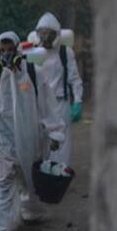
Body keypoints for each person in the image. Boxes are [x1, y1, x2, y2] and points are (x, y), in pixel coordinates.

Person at [0, 32, 64, 231]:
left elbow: (47, 106)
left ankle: (31, 213)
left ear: (18, 49)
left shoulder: (33, 73)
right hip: (4, 142)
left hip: (32, 140)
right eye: (2, 50)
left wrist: (54, 132)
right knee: (1, 182)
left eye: (9, 49)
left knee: (30, 182)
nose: (5, 54)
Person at [29, 12, 84, 167]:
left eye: (49, 34)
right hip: (40, 104)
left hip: (60, 104)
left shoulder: (65, 53)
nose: (45, 37)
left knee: (62, 143)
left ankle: (60, 176)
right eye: (42, 33)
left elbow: (75, 79)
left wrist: (77, 101)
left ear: (57, 35)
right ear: (37, 34)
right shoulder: (33, 52)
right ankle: (42, 176)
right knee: (41, 142)